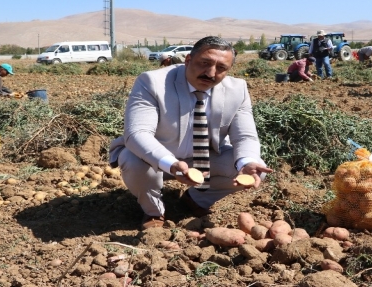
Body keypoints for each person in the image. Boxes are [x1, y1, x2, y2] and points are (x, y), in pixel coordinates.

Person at [108, 36, 272, 230]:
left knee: (256, 169)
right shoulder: (152, 82)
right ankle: (154, 212)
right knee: (132, 160)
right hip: (158, 160)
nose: (211, 73)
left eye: (221, 68)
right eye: (204, 63)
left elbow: (245, 136)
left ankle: (196, 200)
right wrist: (171, 164)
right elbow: (137, 133)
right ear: (188, 60)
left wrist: (247, 162)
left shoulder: (237, 89)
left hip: (206, 158)